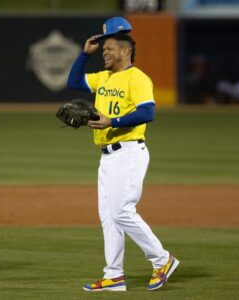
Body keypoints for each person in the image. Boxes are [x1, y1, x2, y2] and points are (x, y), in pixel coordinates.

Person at [67, 17, 179, 292]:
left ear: (125, 50)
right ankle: (114, 275)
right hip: (106, 157)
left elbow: (147, 112)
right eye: (103, 48)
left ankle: (162, 259)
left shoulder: (137, 78)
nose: (104, 52)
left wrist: (112, 122)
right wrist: (84, 54)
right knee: (108, 216)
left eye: (109, 48)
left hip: (129, 152)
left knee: (122, 212)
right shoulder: (103, 78)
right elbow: (74, 81)